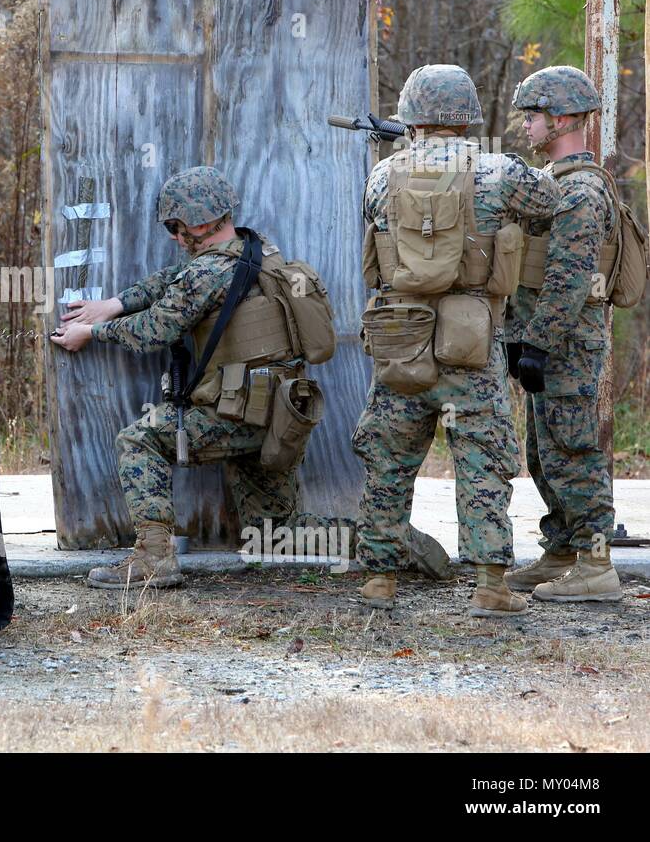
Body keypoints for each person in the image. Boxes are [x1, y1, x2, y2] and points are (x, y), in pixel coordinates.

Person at [52, 166, 332, 589]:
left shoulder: (207, 274)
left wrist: (90, 331)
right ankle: (382, 537)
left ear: (198, 223)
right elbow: (171, 281)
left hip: (237, 414)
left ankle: (153, 559)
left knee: (138, 440)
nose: (174, 236)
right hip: (278, 415)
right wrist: (114, 303)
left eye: (175, 226)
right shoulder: (257, 253)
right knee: (275, 534)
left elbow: (155, 331)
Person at [352, 64, 560, 615]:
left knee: (389, 457)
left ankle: (379, 578)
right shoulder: (498, 171)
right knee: (482, 457)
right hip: (471, 340)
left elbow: (375, 241)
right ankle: (490, 585)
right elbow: (549, 202)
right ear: (467, 115)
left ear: (412, 116)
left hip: (402, 334)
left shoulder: (382, 175)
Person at [503, 66, 621, 602]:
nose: (525, 126)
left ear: (564, 118)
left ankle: (597, 567)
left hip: (566, 344)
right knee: (544, 453)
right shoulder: (552, 184)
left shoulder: (581, 191)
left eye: (533, 116)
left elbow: (569, 279)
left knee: (573, 452)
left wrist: (539, 343)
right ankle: (563, 550)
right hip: (544, 339)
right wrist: (518, 339)